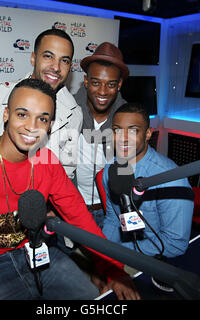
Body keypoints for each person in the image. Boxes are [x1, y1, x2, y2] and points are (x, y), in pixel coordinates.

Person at [0, 78, 140, 300]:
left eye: (42, 118)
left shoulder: (47, 161)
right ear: (6, 114)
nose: (31, 127)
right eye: (22, 114)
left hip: (38, 253)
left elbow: (80, 219)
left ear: (50, 125)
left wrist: (113, 269)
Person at [0, 28, 81, 182]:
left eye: (64, 60)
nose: (56, 67)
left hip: (37, 200)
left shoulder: (74, 114)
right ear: (33, 58)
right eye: (48, 56)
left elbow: (66, 172)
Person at [102, 103, 194, 259]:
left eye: (133, 131)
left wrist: (119, 253)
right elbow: (113, 218)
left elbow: (174, 244)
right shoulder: (110, 169)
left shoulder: (171, 179)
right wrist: (103, 254)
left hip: (155, 259)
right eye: (117, 130)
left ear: (148, 134)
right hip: (121, 250)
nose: (123, 138)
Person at [73, 42, 129, 228]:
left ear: (119, 84)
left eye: (111, 84)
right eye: (96, 82)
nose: (103, 91)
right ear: (86, 81)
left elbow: (131, 168)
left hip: (112, 210)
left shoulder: (128, 120)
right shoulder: (67, 112)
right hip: (73, 209)